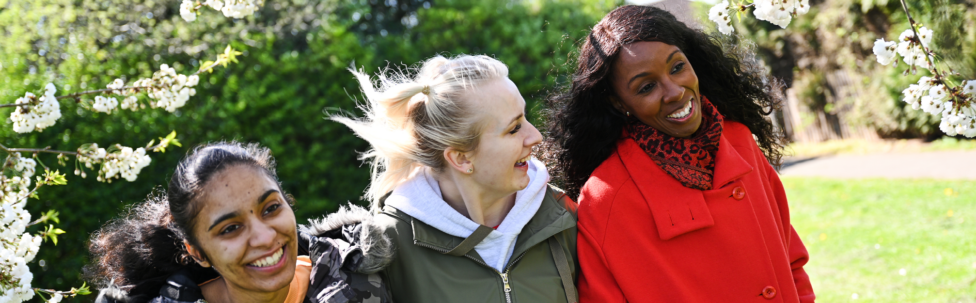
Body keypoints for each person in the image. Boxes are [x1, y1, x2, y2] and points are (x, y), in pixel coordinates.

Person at [542, 5, 815, 302]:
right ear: (619, 103)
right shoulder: (606, 198)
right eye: (647, 87)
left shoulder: (738, 142)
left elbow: (791, 261)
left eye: (677, 67)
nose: (674, 92)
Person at [333, 54, 579, 303]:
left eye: (525, 118)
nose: (535, 136)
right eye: (513, 128)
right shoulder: (387, 247)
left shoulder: (564, 214)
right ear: (461, 159)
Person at [87, 142, 392, 303]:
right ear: (198, 253)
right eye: (230, 228)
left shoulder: (358, 276)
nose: (264, 237)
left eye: (271, 208)